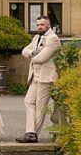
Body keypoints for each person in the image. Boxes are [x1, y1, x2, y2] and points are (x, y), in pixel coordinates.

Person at [16, 14, 61, 143]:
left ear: (48, 25)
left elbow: (42, 58)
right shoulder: (36, 37)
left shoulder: (53, 39)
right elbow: (24, 50)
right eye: (38, 25)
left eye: (42, 25)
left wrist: (32, 56)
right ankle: (30, 132)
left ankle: (32, 134)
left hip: (46, 77)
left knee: (41, 106)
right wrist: (31, 53)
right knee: (28, 101)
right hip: (35, 77)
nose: (39, 27)